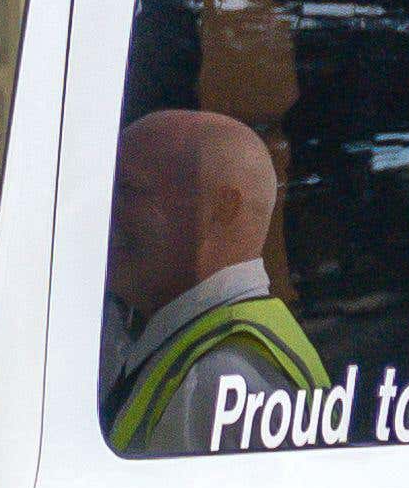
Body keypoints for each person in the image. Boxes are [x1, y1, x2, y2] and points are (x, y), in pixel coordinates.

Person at [106, 104, 327, 455]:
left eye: (129, 190)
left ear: (223, 208)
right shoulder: (206, 347)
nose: (107, 212)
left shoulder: (216, 380)